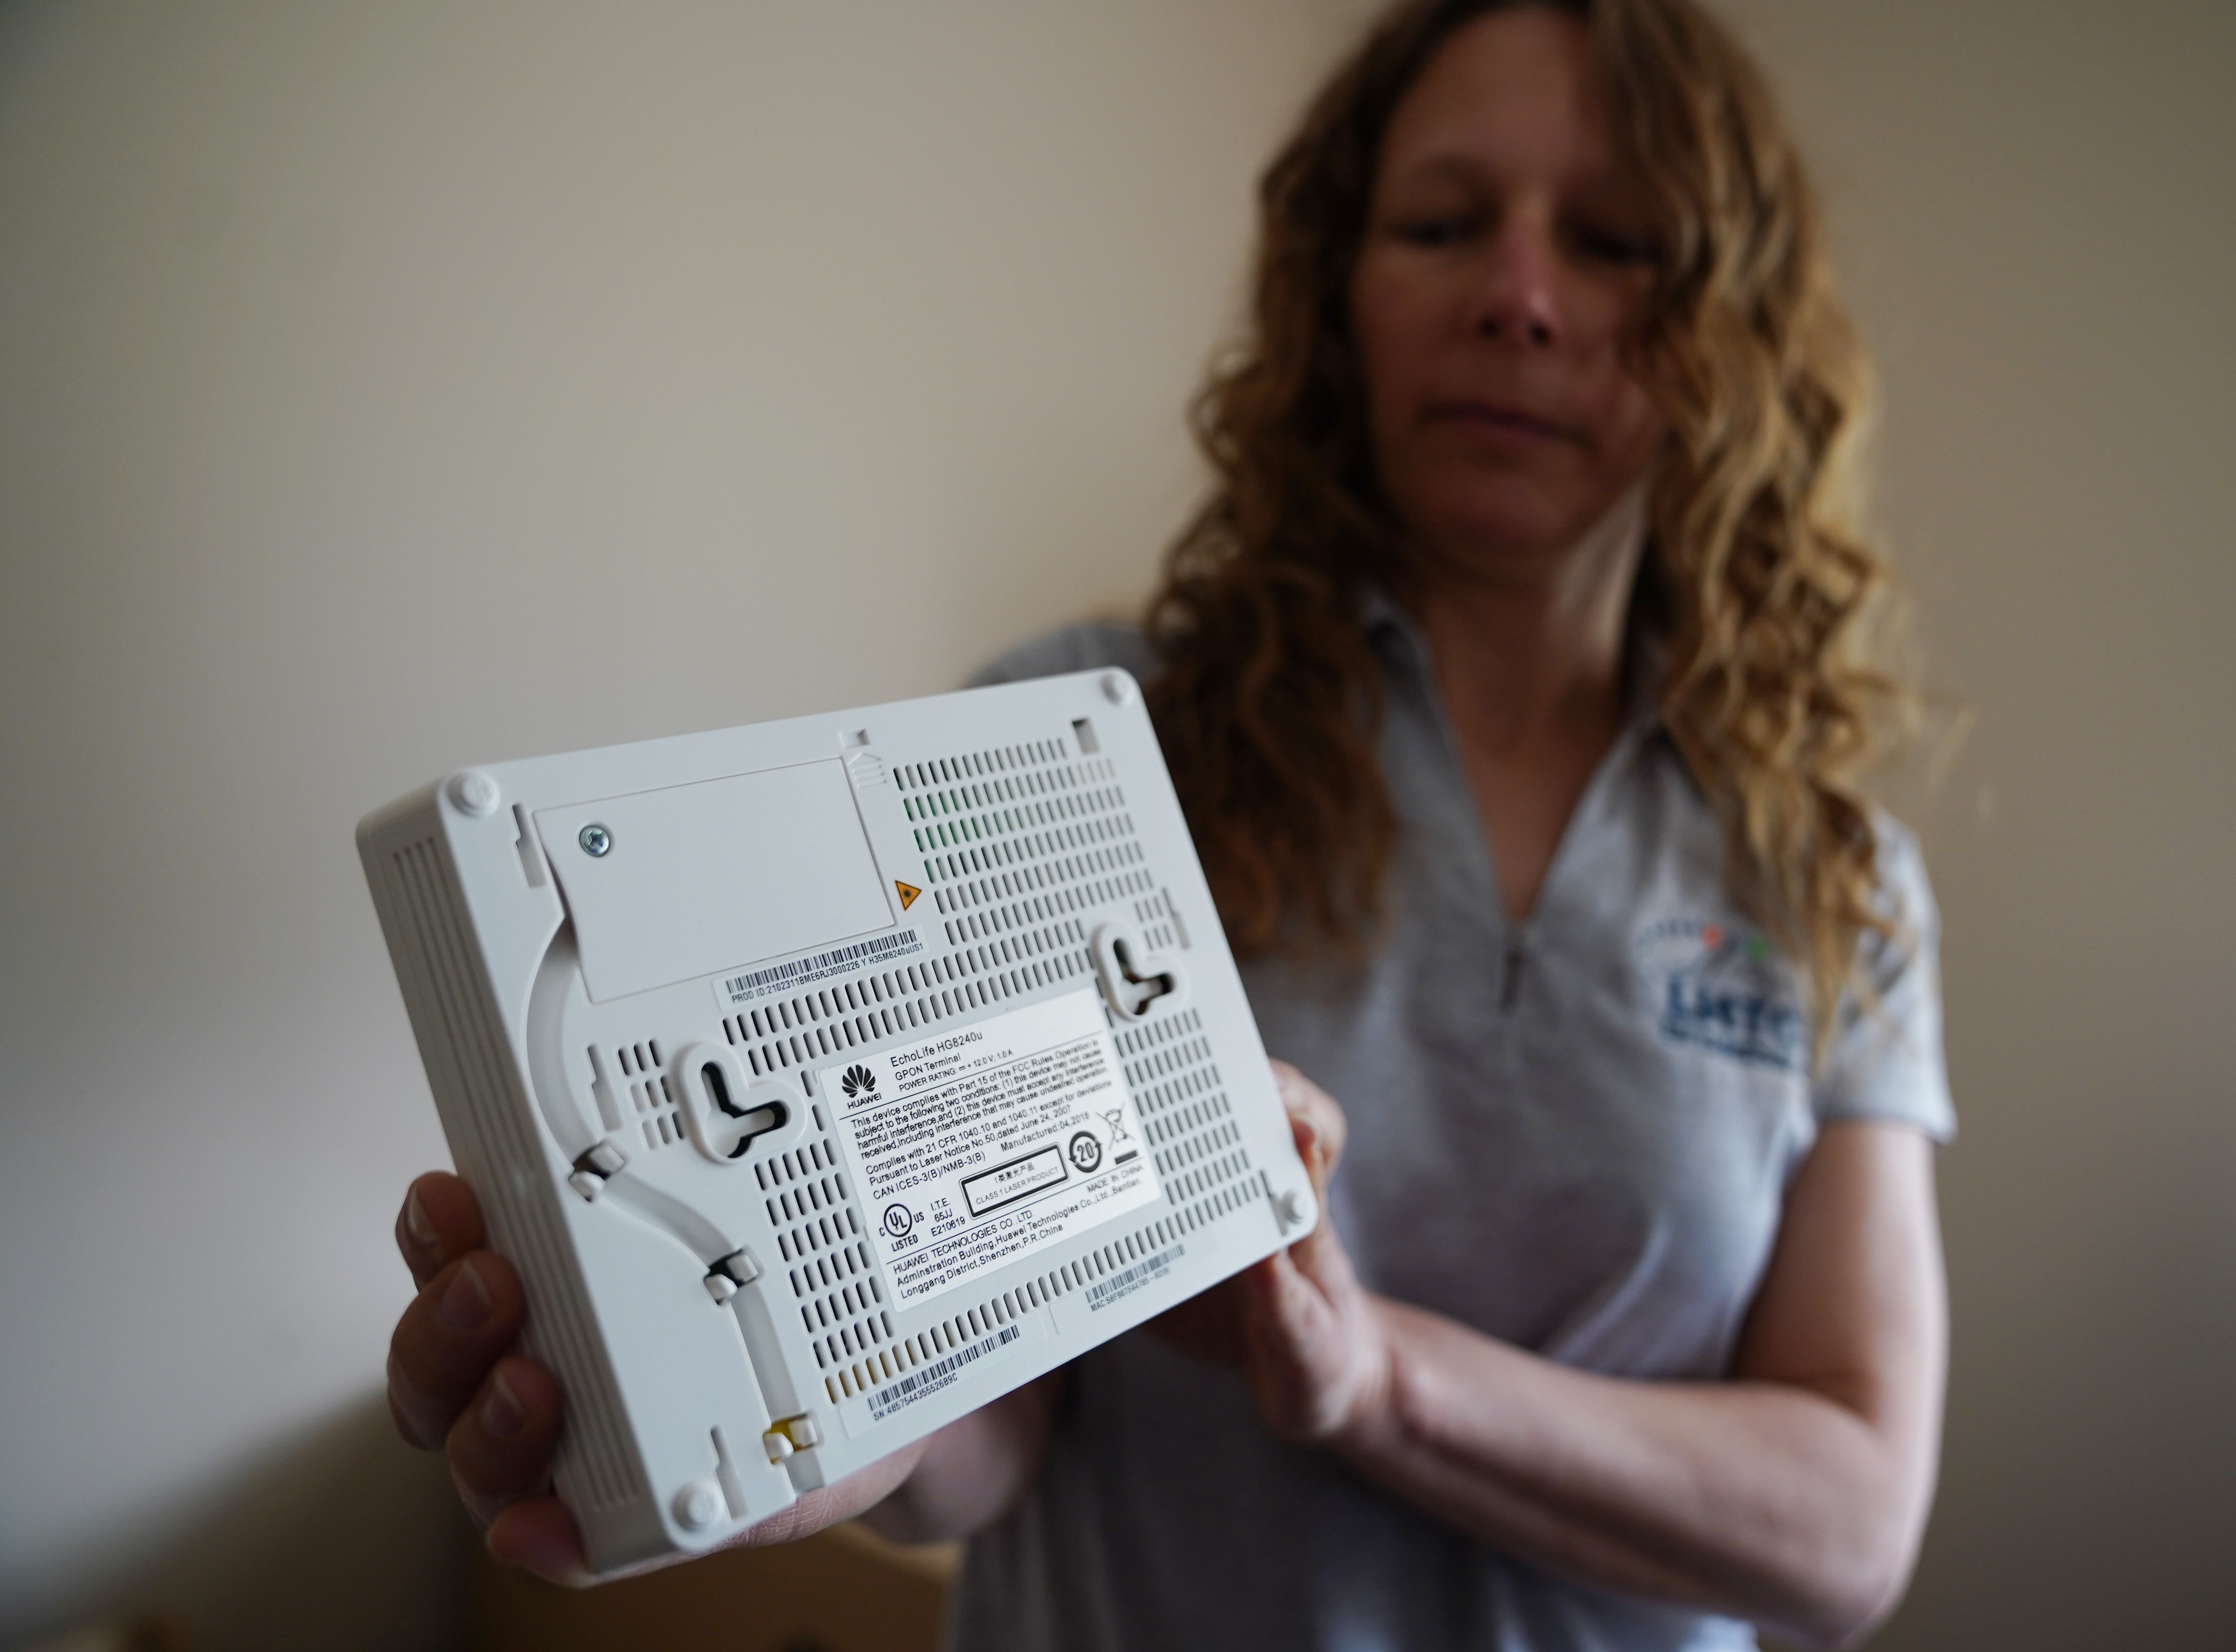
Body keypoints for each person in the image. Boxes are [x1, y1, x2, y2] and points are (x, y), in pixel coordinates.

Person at [384, 1, 1953, 1646]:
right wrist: (836, 1420)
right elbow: (994, 1427)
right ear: (1337, 289)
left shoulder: (1832, 879)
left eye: (1613, 241)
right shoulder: (1080, 745)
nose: (1518, 295)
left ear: (1727, 326)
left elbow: (1847, 1526)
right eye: (1441, 224)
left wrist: (1375, 1378)